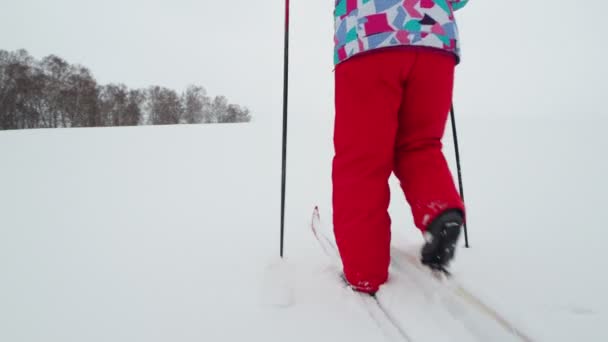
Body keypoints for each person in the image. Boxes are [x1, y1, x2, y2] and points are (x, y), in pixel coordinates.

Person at [332, 0, 469, 295]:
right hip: (435, 40)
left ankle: (364, 271)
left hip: (368, 39)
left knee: (361, 159)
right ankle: (440, 210)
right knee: (420, 145)